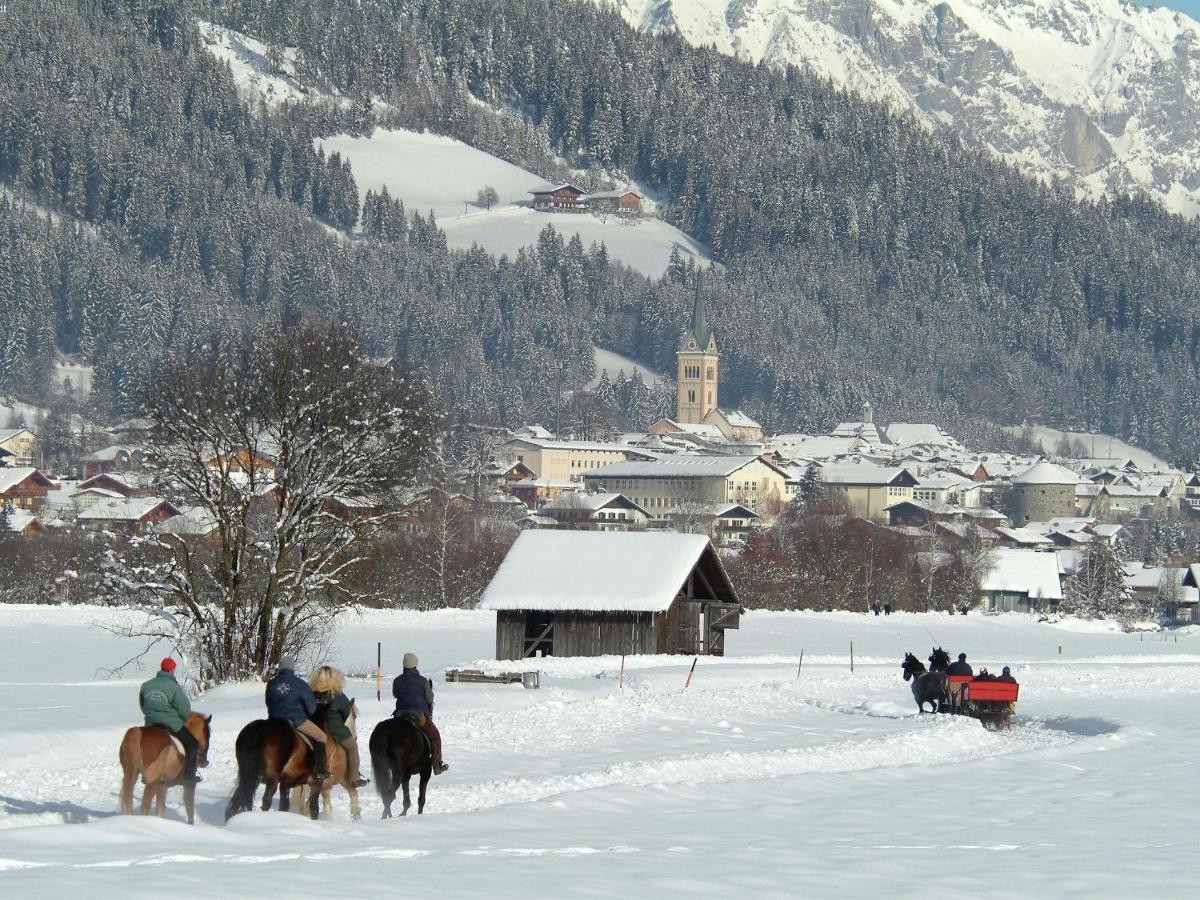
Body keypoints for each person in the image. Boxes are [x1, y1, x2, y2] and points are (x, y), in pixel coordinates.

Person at [266, 655, 329, 780]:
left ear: (281, 667)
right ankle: (320, 770)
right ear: (292, 668)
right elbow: (311, 708)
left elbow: (268, 702)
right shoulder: (300, 684)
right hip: (296, 721)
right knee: (322, 736)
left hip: (273, 721)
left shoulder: (271, 683)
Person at [139, 657, 200, 783]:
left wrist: (150, 716)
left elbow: (142, 704)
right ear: (172, 671)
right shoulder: (174, 688)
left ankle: (145, 774)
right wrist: (183, 720)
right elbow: (184, 709)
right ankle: (189, 775)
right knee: (192, 744)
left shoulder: (146, 685)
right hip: (171, 724)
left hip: (150, 724)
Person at [310, 665, 368, 787]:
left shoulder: (311, 694)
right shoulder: (338, 696)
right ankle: (354, 778)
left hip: (314, 728)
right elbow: (346, 712)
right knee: (352, 746)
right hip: (335, 729)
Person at [392, 652, 448, 774]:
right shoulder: (423, 681)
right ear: (416, 665)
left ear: (403, 665)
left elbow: (395, 694)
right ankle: (437, 765)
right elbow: (429, 699)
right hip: (418, 716)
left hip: (399, 715)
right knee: (435, 736)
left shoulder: (397, 680)